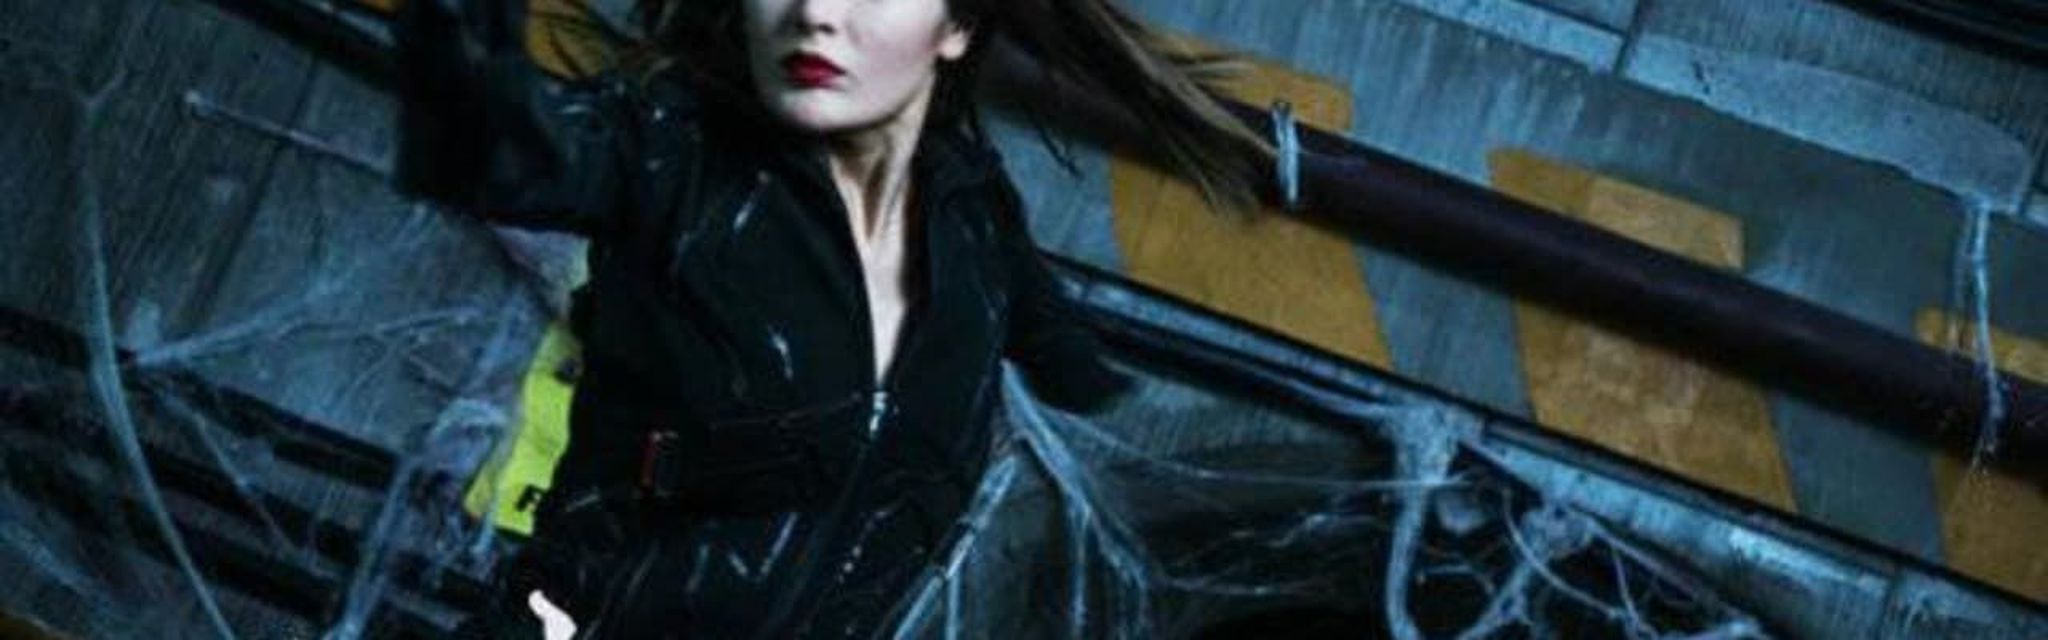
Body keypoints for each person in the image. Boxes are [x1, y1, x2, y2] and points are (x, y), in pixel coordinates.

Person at [394, 0, 1272, 636]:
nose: (816, 14)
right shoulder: (676, 154)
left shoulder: (973, 217)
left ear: (956, 29)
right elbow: (484, 148)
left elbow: (1075, 373)